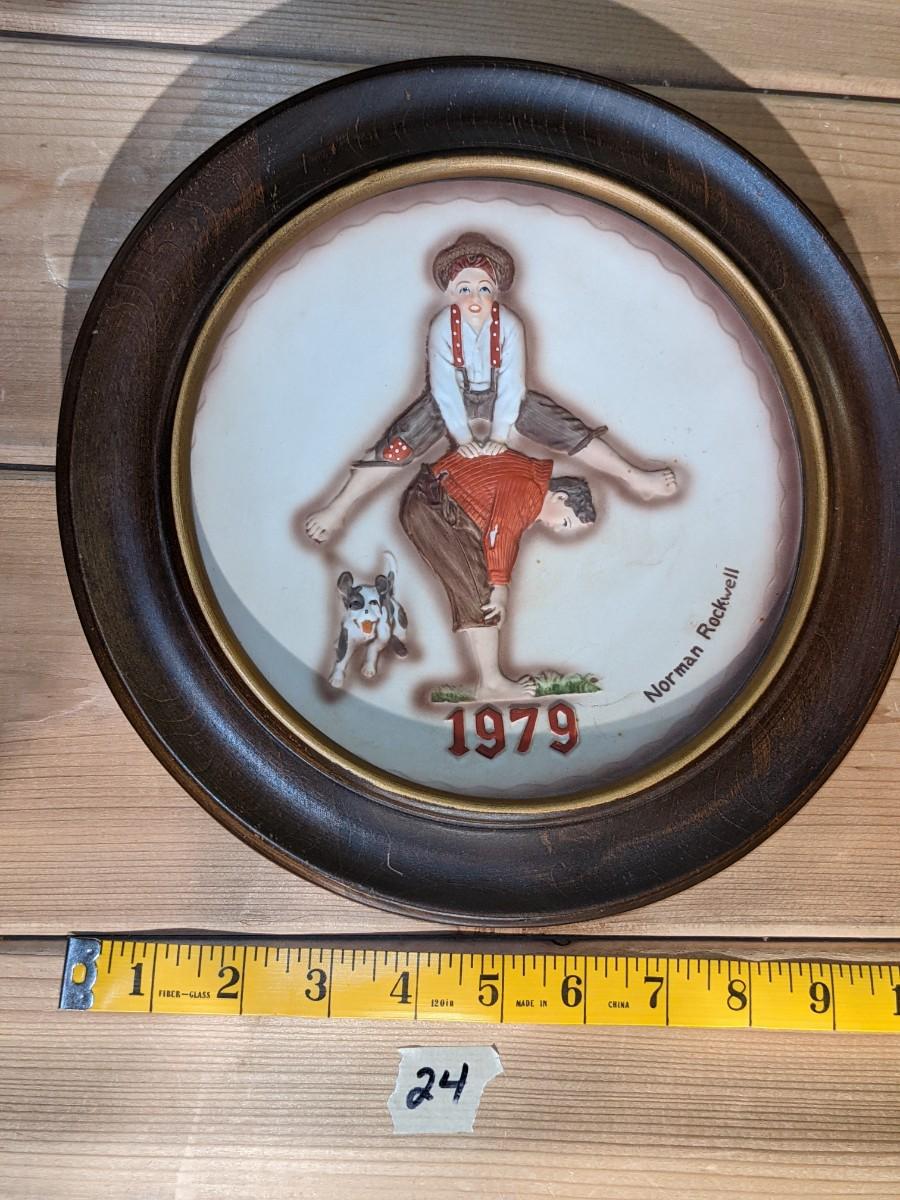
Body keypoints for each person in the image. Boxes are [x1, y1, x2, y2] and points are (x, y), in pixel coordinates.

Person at [305, 232, 677, 546]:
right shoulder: (442, 325)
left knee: (565, 428)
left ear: (495, 291)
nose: (475, 299)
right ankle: (338, 508)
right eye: (464, 289)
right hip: (449, 401)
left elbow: (513, 383)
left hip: (504, 397)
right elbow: (444, 388)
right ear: (451, 292)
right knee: (398, 444)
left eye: (484, 289)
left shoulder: (509, 324)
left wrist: (500, 435)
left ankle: (635, 478)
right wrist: (463, 437)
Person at [399, 446, 596, 700]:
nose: (558, 529)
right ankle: (491, 684)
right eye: (565, 522)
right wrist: (500, 586)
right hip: (435, 508)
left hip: (435, 502)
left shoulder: (529, 477)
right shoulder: (527, 490)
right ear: (559, 498)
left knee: (478, 588)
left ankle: (490, 679)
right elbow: (500, 534)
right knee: (484, 594)